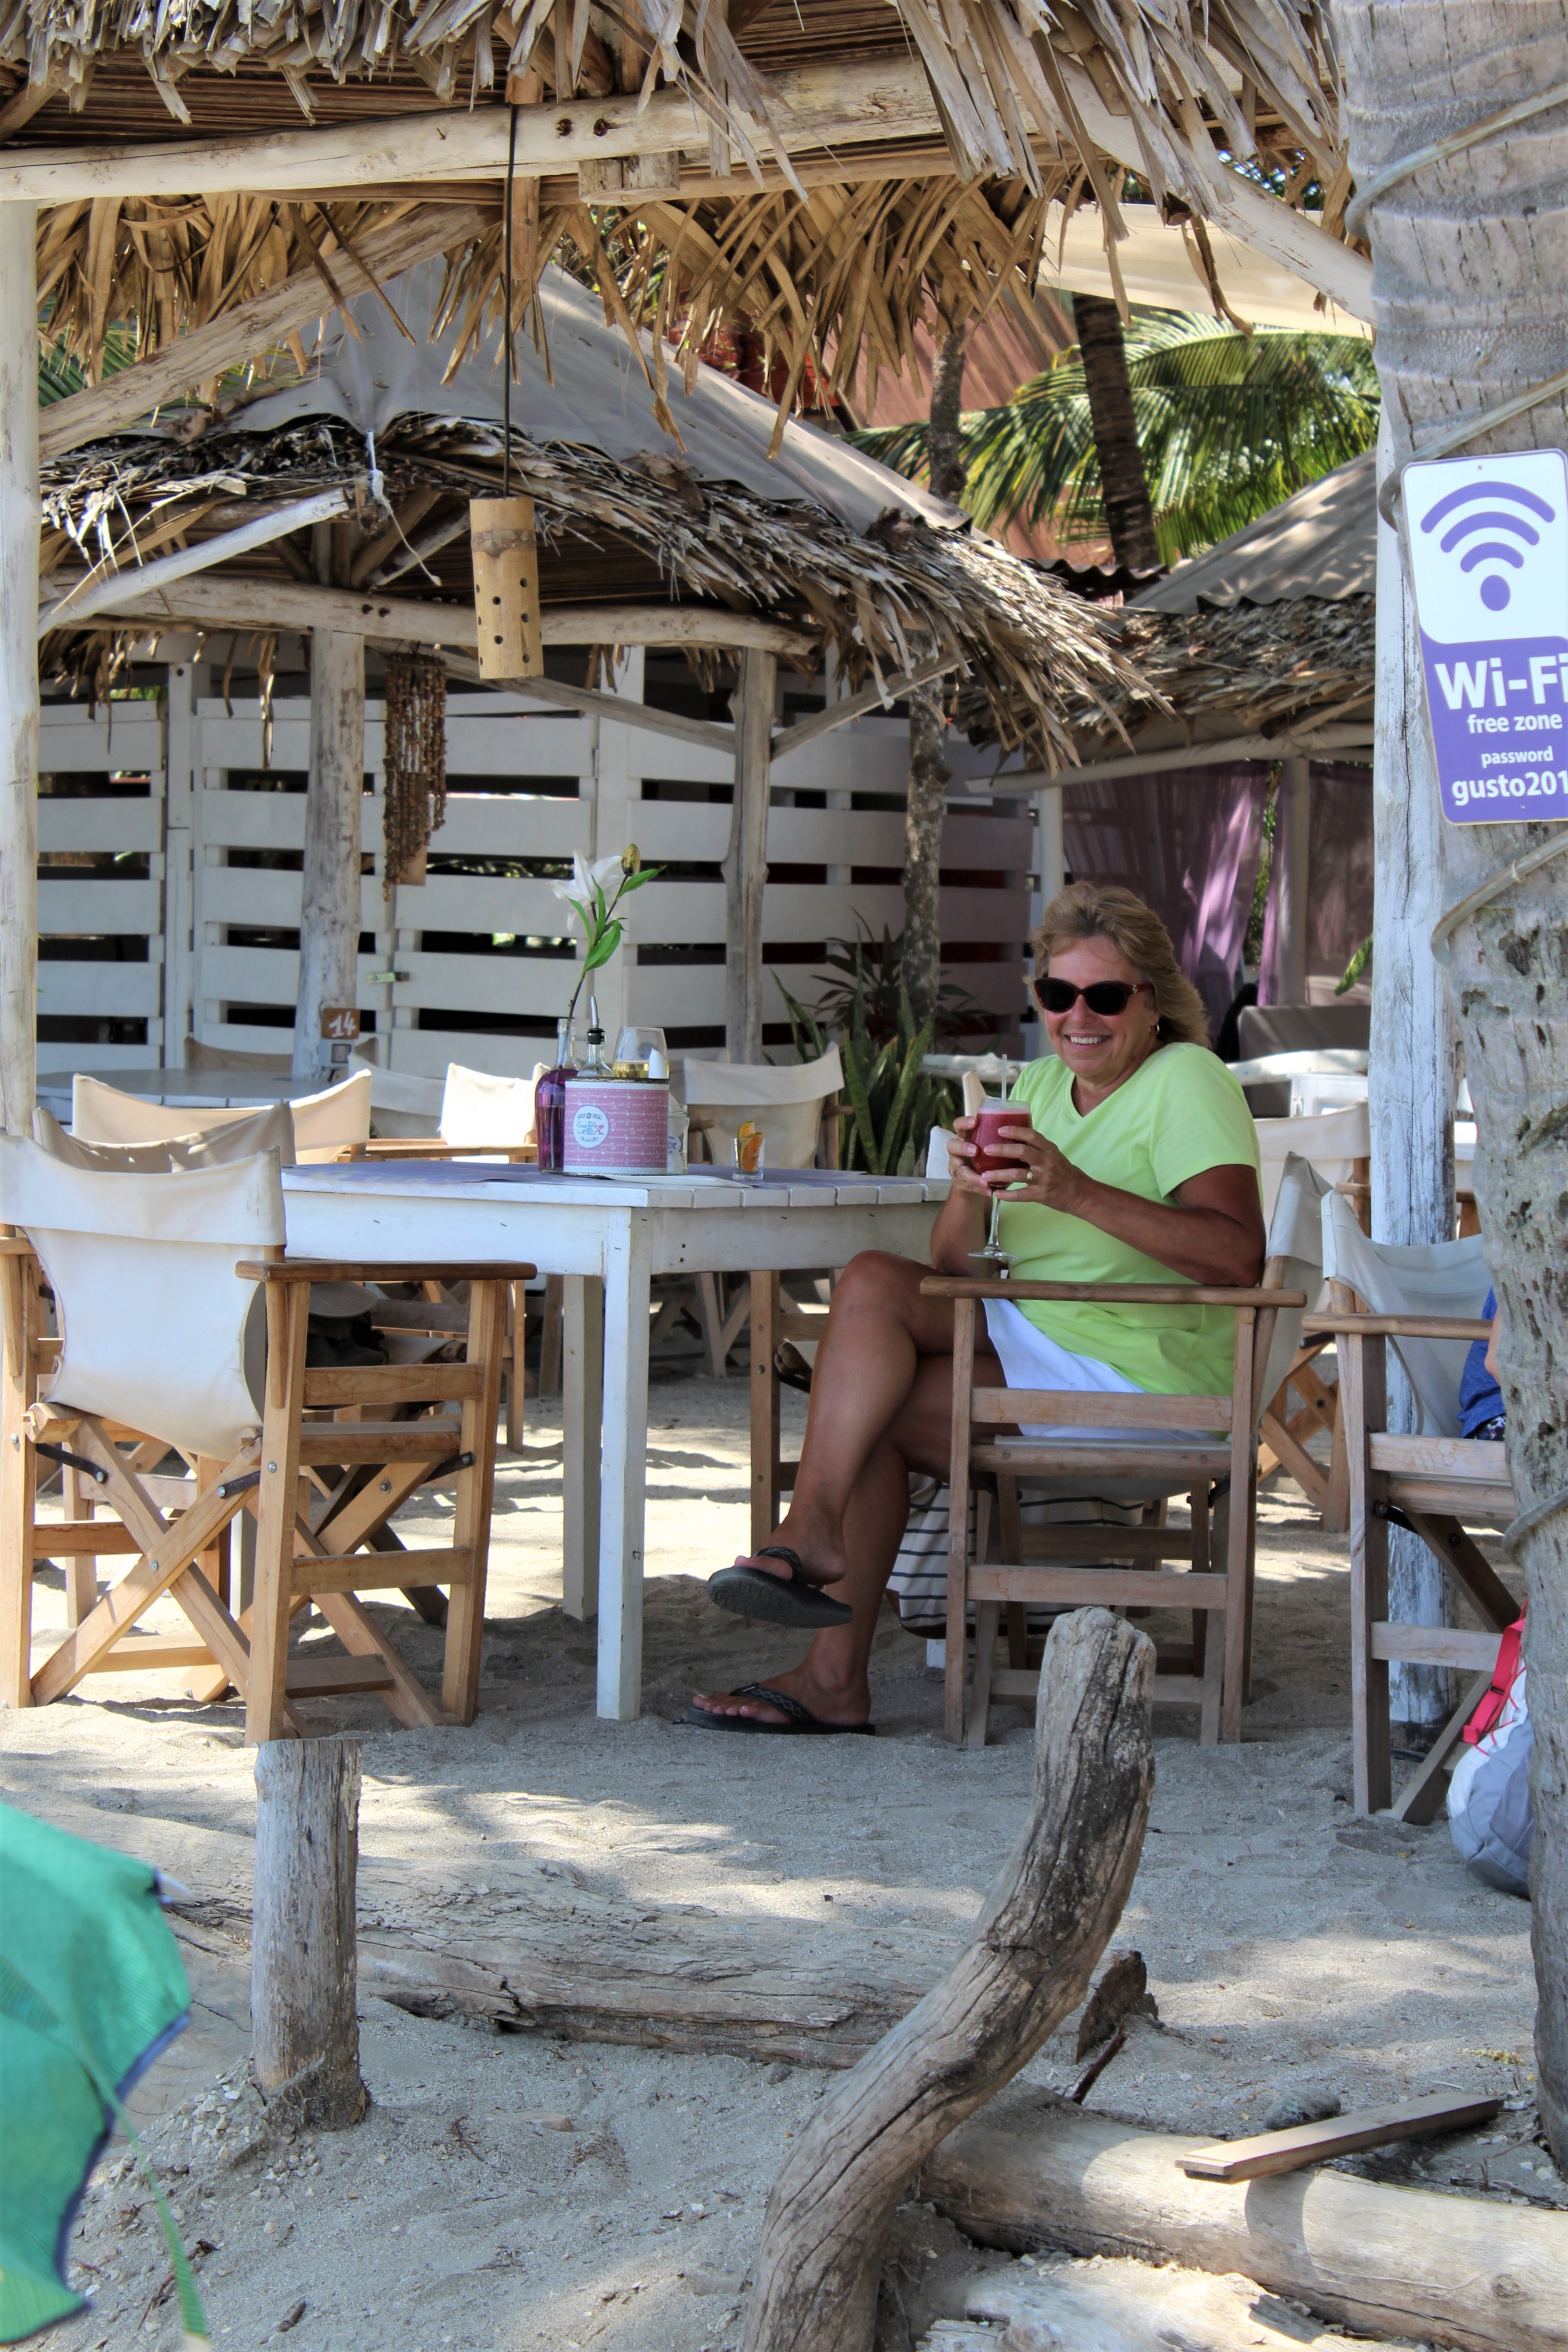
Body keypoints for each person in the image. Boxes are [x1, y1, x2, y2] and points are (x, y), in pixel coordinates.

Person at [683, 882, 1264, 1735]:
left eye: (1105, 996)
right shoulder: (1040, 1085)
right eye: (1057, 993)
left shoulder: (1186, 1078)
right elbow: (956, 1270)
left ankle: (829, 1656)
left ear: (1152, 1002)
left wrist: (1075, 1191)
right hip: (1041, 1343)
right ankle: (812, 1548)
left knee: (866, 1411)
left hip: (1146, 1380)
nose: (1078, 1017)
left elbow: (1238, 1255)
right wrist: (965, 1192)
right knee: (872, 1280)